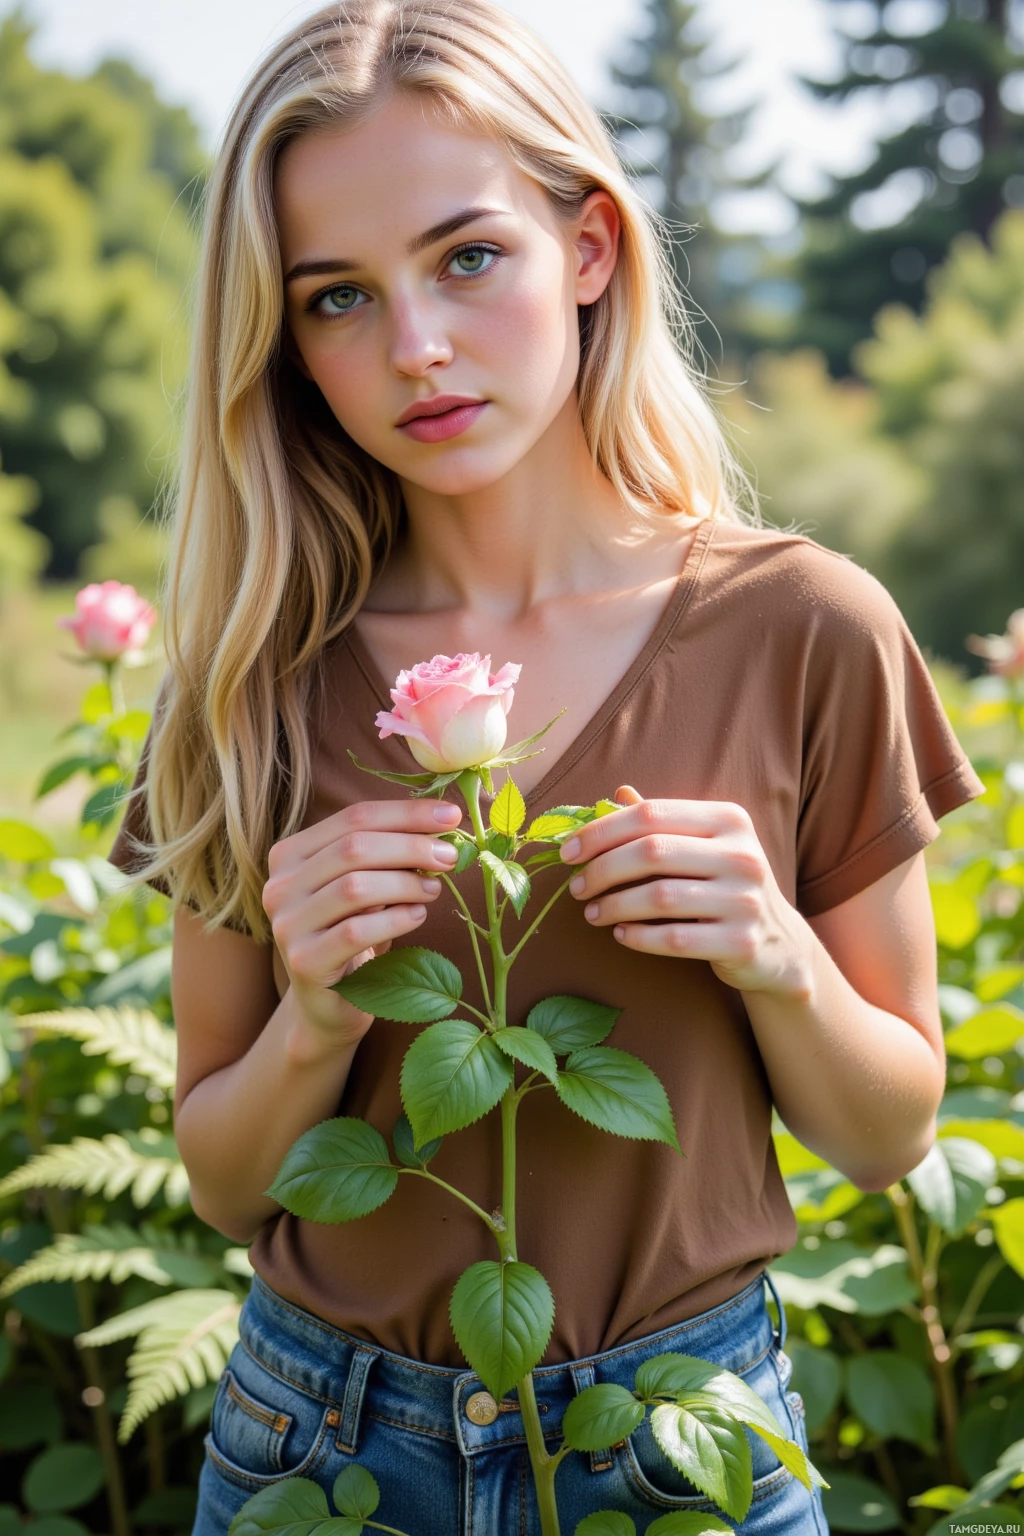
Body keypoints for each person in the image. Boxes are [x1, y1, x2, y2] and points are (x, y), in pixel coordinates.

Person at [106, 2, 984, 1531]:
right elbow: (228, 1184)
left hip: (682, 1446)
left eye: (468, 257)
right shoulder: (249, 680)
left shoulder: (804, 626)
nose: (415, 348)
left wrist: (777, 957)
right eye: (335, 298)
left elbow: (889, 1131)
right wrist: (314, 1016)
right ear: (285, 342)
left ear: (586, 249)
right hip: (320, 1455)